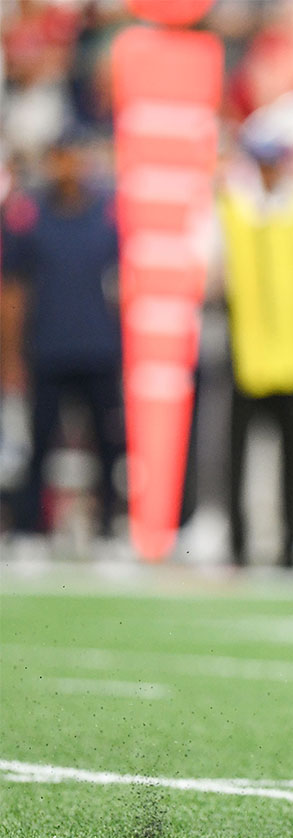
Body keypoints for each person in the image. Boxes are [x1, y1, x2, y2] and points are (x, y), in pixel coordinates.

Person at [0, 130, 123, 545]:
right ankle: (30, 527)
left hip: (98, 346)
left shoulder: (106, 213)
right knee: (40, 442)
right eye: (60, 157)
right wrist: (11, 354)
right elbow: (13, 289)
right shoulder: (31, 214)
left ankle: (108, 526)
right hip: (48, 346)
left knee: (108, 444)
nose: (67, 166)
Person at [216, 116, 293, 568]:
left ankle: (291, 543)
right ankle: (236, 544)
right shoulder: (231, 204)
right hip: (244, 349)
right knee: (236, 454)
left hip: (292, 351)